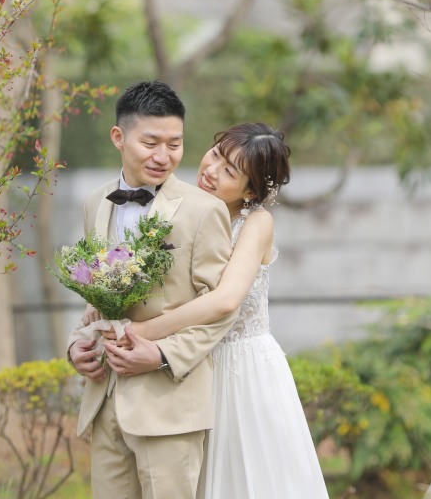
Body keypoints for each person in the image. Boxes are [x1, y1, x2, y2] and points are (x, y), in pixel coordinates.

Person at [125, 121, 330, 499]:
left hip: (243, 370)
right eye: (216, 155)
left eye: (229, 171)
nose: (211, 170)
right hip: (192, 363)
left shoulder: (256, 223)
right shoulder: (180, 208)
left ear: (251, 190)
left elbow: (225, 299)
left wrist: (144, 334)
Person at [66, 80, 238, 499]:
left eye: (175, 144)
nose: (164, 156)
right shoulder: (96, 202)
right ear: (119, 137)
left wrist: (161, 354)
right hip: (105, 398)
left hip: (170, 405)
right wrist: (77, 345)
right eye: (151, 142)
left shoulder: (204, 210)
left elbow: (220, 308)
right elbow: (96, 297)